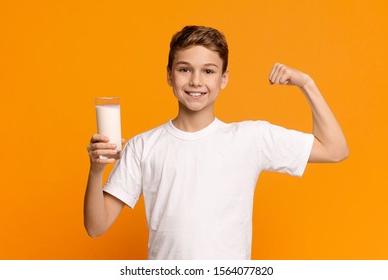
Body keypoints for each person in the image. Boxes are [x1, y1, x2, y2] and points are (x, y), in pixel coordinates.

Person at [84, 25, 348, 260]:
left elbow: (335, 149)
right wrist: (97, 170)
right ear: (169, 76)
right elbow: (96, 227)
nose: (196, 81)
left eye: (208, 71)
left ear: (224, 78)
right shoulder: (143, 146)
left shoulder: (250, 139)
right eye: (184, 69)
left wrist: (307, 84)